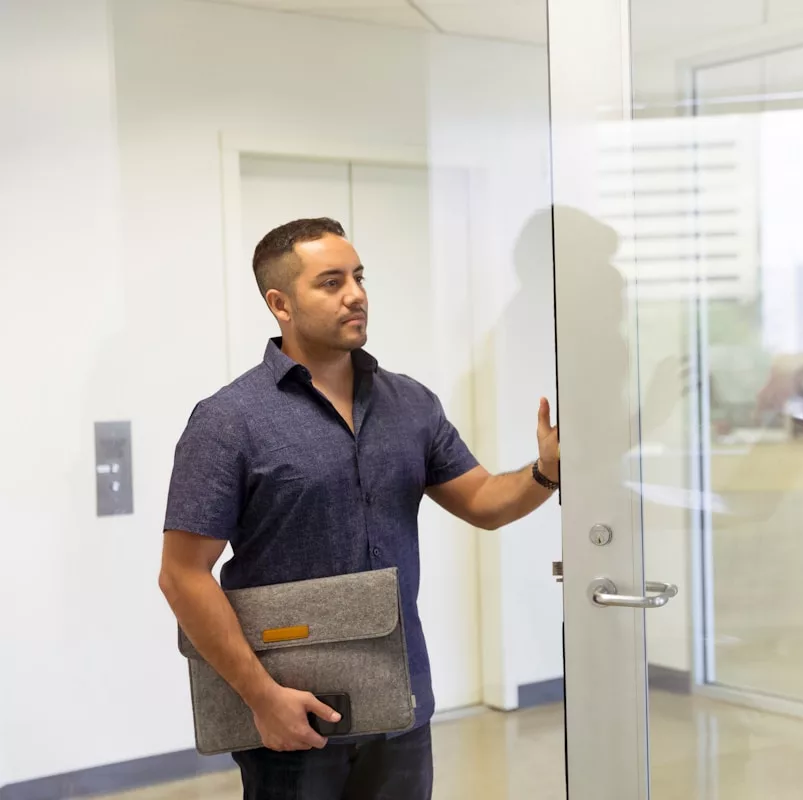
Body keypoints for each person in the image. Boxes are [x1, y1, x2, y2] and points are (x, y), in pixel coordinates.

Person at [157, 217, 561, 799]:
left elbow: (483, 501)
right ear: (281, 304)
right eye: (330, 282)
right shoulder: (229, 420)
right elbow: (182, 575)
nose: (355, 294)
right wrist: (262, 698)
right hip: (292, 712)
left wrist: (544, 471)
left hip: (401, 702)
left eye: (359, 277)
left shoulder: (411, 404)